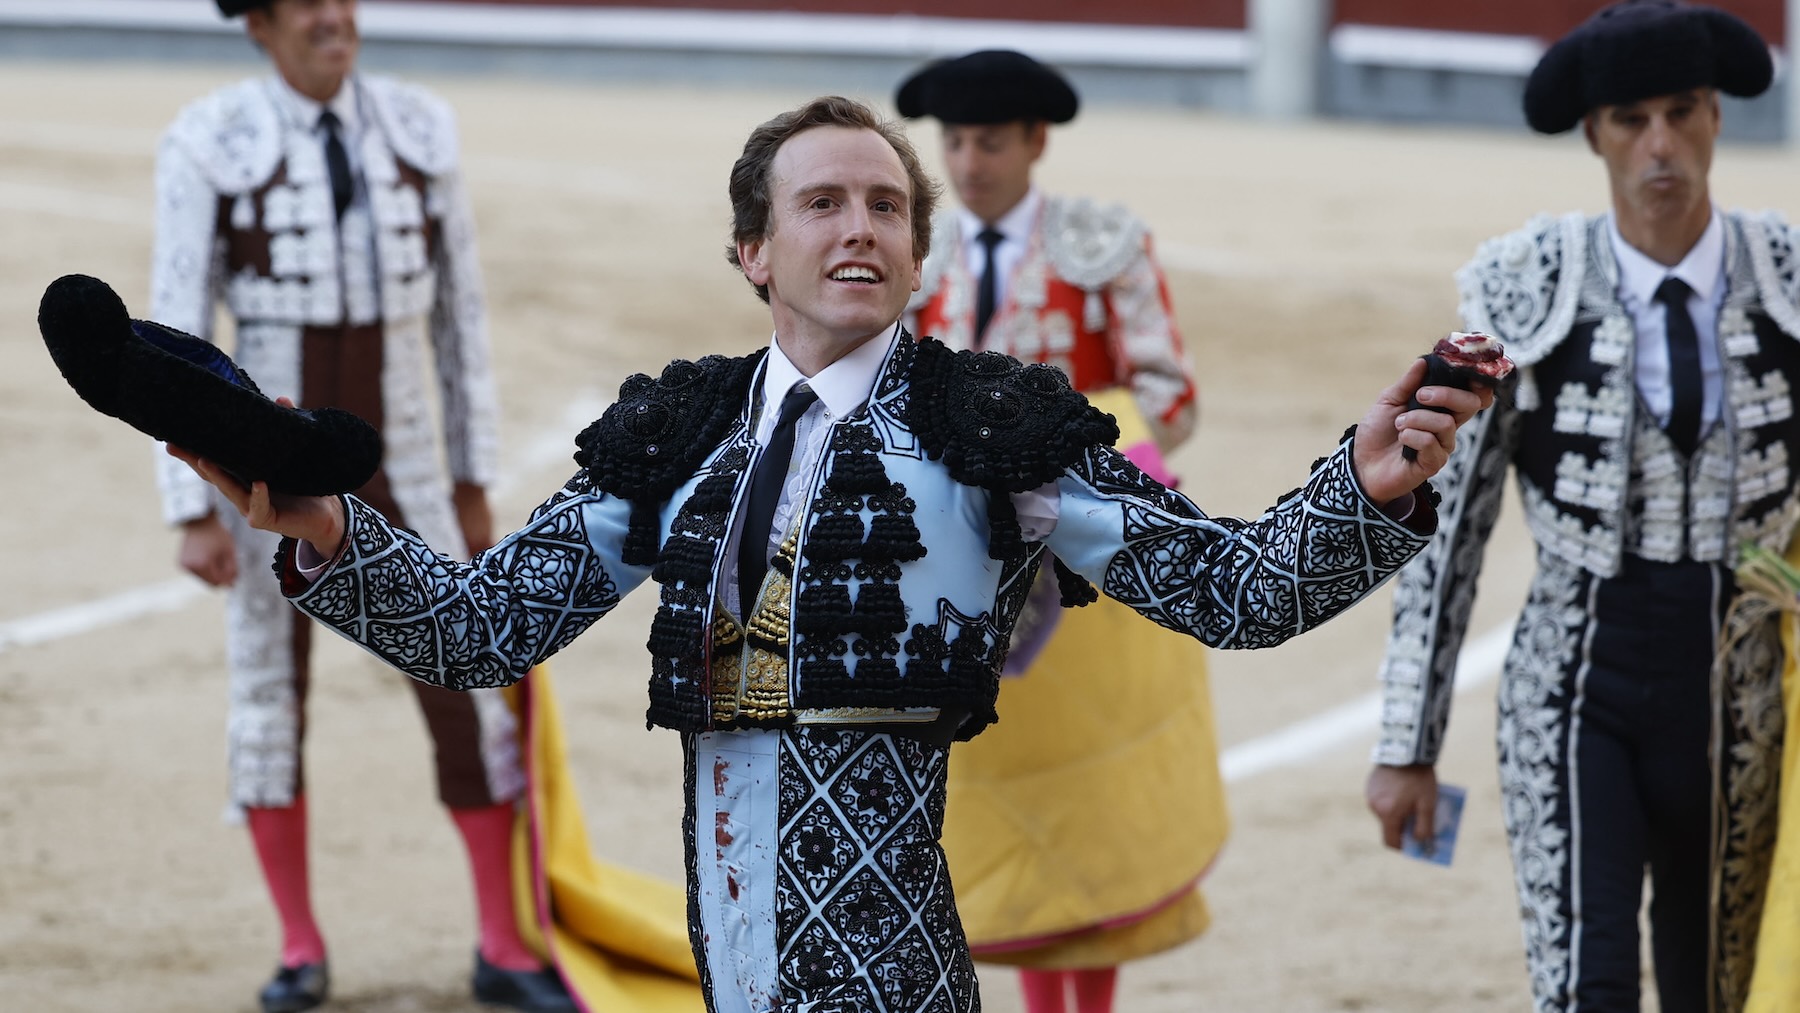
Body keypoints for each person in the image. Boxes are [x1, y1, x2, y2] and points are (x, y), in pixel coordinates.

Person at [165, 94, 1488, 1013]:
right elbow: (481, 629)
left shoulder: (992, 427)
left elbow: (1231, 589)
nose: (859, 225)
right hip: (726, 964)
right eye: (822, 204)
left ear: (914, 250)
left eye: (885, 207)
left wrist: (1361, 489)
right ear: (753, 250)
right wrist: (324, 529)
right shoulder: (679, 430)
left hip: (894, 971)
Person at [1363, 2, 1798, 1010]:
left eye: (1682, 113)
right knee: (1586, 985)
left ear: (1715, 120)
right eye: (1631, 120)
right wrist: (1406, 744)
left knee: (1719, 990)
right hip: (1577, 682)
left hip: (1745, 695)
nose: (1660, 145)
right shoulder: (1522, 289)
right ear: (1594, 134)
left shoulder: (1788, 279)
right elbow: (1448, 523)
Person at [149, 2, 572, 1010]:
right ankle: (299, 945)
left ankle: (502, 941)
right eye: (305, 3)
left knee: (471, 681)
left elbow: (459, 314)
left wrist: (472, 481)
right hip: (265, 450)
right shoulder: (207, 137)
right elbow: (176, 316)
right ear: (257, 22)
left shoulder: (423, 126)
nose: (333, 17)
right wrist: (187, 501)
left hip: (410, 449)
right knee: (267, 690)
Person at [896, 50, 1218, 1013]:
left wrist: (1069, 448)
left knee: (1092, 797)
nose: (967, 162)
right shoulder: (924, 253)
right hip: (974, 553)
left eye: (988, 141)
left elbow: (1170, 393)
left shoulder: (1103, 244)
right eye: (953, 142)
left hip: (1090, 551)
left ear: (1035, 142)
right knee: (1024, 784)